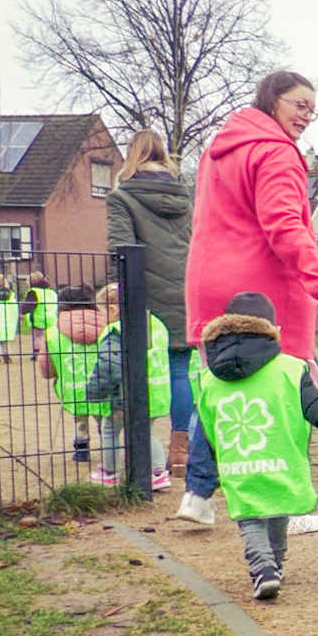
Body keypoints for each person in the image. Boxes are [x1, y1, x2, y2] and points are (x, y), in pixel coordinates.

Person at [178, 70, 318, 527]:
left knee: (224, 390)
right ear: (272, 100)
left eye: (312, 110)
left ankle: (198, 495)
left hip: (211, 284)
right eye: (299, 105)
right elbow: (284, 225)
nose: (306, 117)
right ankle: (288, 506)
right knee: (285, 394)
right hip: (264, 290)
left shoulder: (219, 151)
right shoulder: (277, 153)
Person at [194, 292, 318, 600]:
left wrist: (215, 458)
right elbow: (315, 407)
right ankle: (277, 565)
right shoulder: (290, 368)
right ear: (274, 330)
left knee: (250, 516)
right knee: (278, 512)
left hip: (238, 460)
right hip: (281, 458)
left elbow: (207, 422)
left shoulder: (209, 377)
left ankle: (264, 569)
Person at [108, 129, 195, 480]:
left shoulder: (121, 197)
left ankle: (139, 448)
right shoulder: (184, 196)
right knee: (179, 371)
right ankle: (180, 450)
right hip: (186, 289)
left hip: (145, 294)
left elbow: (121, 249)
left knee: (137, 370)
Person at [84, 283, 174, 490]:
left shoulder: (117, 330)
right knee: (147, 430)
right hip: (156, 390)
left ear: (113, 310)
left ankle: (110, 471)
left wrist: (95, 391)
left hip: (126, 394)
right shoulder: (155, 323)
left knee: (110, 429)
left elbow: (109, 366)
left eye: (101, 312)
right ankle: (158, 472)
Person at [39, 285, 108, 465]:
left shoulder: (52, 332)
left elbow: (46, 367)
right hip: (103, 383)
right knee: (103, 413)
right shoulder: (108, 328)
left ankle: (81, 445)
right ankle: (109, 445)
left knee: (79, 411)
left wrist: (53, 374)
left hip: (71, 385)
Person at [21, 271, 58, 363]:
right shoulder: (51, 291)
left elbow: (28, 305)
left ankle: (37, 353)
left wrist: (23, 311)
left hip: (39, 317)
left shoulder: (33, 292)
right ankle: (50, 352)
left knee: (38, 336)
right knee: (49, 336)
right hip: (51, 317)